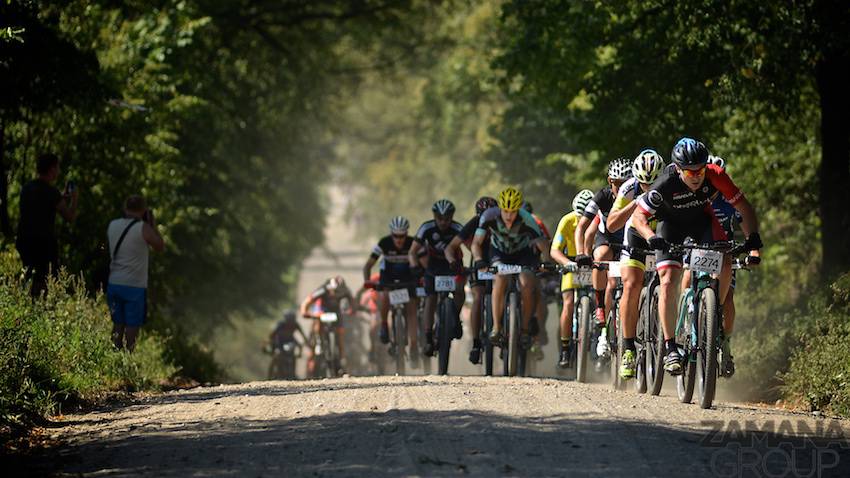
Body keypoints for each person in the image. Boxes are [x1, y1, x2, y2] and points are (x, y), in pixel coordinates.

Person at [631, 138, 762, 375]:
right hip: (669, 226)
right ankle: (671, 348)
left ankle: (715, 311)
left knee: (725, 259)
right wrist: (651, 237)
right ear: (678, 169)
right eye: (689, 171)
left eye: (700, 169)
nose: (696, 176)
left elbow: (743, 206)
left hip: (701, 222)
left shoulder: (715, 174)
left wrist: (753, 236)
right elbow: (638, 219)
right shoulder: (664, 184)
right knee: (669, 280)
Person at [679, 154, 744, 377]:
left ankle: (726, 345)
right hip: (697, 247)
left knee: (728, 299)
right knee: (687, 276)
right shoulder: (693, 196)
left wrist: (753, 250)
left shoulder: (729, 201)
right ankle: (686, 319)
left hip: (723, 251)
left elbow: (744, 222)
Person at [605, 149, 665, 379]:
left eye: (654, 183)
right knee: (631, 284)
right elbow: (611, 224)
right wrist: (636, 203)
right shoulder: (629, 187)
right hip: (636, 234)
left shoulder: (670, 183)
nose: (649, 187)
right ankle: (628, 348)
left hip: (660, 233)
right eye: (644, 183)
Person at [472, 187, 550, 352]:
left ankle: (524, 328)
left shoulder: (527, 219)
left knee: (527, 283)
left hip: (522, 254)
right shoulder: (488, 217)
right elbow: (476, 243)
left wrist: (547, 261)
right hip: (499, 253)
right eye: (505, 211)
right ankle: (497, 326)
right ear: (499, 209)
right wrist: (479, 259)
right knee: (499, 277)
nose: (509, 215)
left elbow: (542, 243)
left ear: (518, 210)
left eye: (513, 211)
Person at [573, 158, 631, 353]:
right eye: (617, 183)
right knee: (601, 257)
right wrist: (582, 253)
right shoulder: (603, 196)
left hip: (628, 240)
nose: (621, 187)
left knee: (618, 283)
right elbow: (582, 227)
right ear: (609, 182)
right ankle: (600, 307)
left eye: (625, 183)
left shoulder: (636, 195)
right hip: (606, 238)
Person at [106, 195, 165, 352]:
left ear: (125, 208)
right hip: (134, 286)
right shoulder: (143, 228)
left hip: (114, 283)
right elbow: (159, 246)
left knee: (117, 324)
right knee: (132, 325)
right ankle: (127, 358)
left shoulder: (112, 225)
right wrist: (153, 225)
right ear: (143, 210)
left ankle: (113, 357)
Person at [16, 153, 78, 297]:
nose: (59, 171)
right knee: (44, 283)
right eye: (57, 167)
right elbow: (70, 217)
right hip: (43, 244)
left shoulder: (27, 188)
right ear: (51, 169)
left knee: (28, 277)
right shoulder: (51, 192)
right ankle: (39, 312)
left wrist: (60, 197)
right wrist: (74, 199)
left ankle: (25, 307)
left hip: (24, 240)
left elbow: (40, 205)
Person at [408, 199, 465, 357]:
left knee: (459, 290)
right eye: (440, 218)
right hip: (433, 265)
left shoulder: (458, 228)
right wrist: (414, 267)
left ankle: (455, 318)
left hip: (453, 264)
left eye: (447, 218)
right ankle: (427, 336)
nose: (443, 222)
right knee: (430, 298)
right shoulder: (426, 228)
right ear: (434, 217)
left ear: (452, 217)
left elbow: (470, 246)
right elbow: (412, 252)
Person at [444, 196, 497, 364]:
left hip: (499, 262)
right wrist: (453, 262)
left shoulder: (504, 222)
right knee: (478, 298)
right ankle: (476, 343)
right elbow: (451, 247)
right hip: (479, 264)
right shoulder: (474, 222)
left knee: (504, 293)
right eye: (483, 215)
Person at [362, 216, 420, 365]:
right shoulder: (384, 243)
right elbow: (368, 265)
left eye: (402, 236)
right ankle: (383, 325)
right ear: (391, 234)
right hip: (388, 277)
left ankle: (413, 345)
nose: (399, 240)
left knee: (412, 309)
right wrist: (367, 281)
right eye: (396, 236)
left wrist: (423, 278)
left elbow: (424, 263)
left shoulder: (413, 243)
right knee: (385, 296)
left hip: (407, 277)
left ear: (407, 234)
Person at [550, 189, 594, 368]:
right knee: (568, 303)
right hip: (572, 266)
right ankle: (565, 348)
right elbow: (554, 249)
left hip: (592, 265)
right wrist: (566, 262)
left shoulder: (598, 221)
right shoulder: (567, 221)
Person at [300, 276, 355, 377]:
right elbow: (307, 302)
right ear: (330, 288)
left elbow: (352, 302)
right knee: (318, 321)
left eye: (339, 291)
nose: (336, 293)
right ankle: (319, 342)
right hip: (321, 309)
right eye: (334, 291)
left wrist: (352, 310)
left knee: (340, 335)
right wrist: (304, 312)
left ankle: (341, 362)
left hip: (335, 311)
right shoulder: (323, 290)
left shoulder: (345, 291)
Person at [522, 201, 552, 359]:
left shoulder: (537, 223)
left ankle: (539, 333)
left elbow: (547, 243)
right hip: (514, 263)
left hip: (534, 263)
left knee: (539, 294)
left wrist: (546, 264)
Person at [264, 310, 308, 379]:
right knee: (278, 354)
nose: (290, 322)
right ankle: (273, 373)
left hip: (290, 341)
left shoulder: (295, 325)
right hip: (279, 342)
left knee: (293, 356)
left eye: (292, 319)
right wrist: (269, 343)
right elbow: (272, 335)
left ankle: (292, 374)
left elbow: (303, 336)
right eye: (289, 319)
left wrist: (305, 344)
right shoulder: (281, 325)